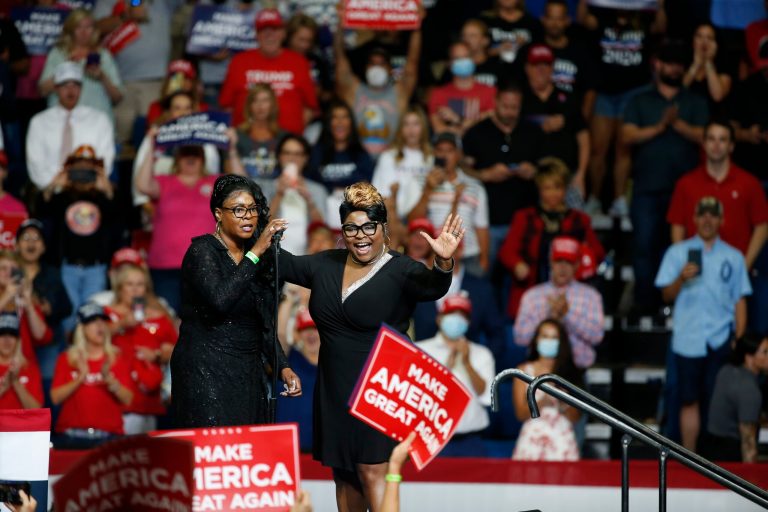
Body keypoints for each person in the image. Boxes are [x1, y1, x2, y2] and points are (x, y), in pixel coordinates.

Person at [278, 182, 463, 512]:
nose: (360, 235)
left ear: (383, 228)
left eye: (368, 227)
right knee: (344, 476)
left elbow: (433, 286)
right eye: (351, 228)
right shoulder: (326, 264)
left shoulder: (400, 269)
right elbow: (282, 263)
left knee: (373, 470)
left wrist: (444, 262)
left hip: (379, 392)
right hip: (335, 390)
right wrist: (249, 226)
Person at [171, 175, 301, 427]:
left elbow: (262, 320)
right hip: (206, 372)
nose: (248, 216)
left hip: (248, 373)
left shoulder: (257, 256)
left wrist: (282, 367)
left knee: (248, 454)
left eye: (252, 209)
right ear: (219, 213)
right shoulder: (203, 252)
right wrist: (255, 253)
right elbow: (220, 300)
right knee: (213, 454)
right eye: (239, 210)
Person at [655, 196, 752, 452]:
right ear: (695, 219)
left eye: (713, 215)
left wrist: (738, 339)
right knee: (688, 400)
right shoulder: (678, 253)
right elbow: (666, 295)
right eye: (703, 214)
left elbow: (739, 299)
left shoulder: (734, 256)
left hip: (720, 338)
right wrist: (680, 279)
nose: (707, 219)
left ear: (721, 220)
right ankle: (690, 456)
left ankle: (713, 460)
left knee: (716, 402)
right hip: (688, 338)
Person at [622, 40, 709, 313]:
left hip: (685, 191)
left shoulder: (694, 101)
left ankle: (681, 303)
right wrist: (660, 127)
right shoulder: (640, 99)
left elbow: (707, 137)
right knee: (645, 247)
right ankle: (647, 305)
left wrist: (678, 125)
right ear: (657, 65)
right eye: (668, 63)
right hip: (647, 187)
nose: (673, 69)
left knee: (682, 248)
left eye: (678, 64)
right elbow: (627, 136)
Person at [578, 0, 666, 217]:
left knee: (623, 149)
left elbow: (661, 27)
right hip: (605, 92)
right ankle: (595, 199)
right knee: (599, 149)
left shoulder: (643, 20)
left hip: (633, 92)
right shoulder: (603, 17)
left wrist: (661, 5)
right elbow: (582, 19)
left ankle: (619, 200)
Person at [499, 158, 604, 318]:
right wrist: (517, 265)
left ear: (565, 189)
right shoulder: (524, 217)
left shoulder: (579, 220)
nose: (553, 194)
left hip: (570, 294)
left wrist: (579, 265)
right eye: (547, 188)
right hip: (531, 290)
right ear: (539, 189)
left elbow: (597, 253)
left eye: (558, 187)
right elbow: (507, 251)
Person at [667, 121, 768, 270]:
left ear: (731, 146)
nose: (716, 145)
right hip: (696, 272)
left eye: (722, 139)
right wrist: (684, 264)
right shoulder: (685, 183)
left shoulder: (749, 183)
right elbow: (677, 225)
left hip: (735, 269)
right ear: (704, 144)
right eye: (711, 139)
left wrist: (745, 265)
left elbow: (763, 226)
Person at [135, 139, 219, 313]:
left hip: (206, 266)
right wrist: (151, 145)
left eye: (195, 153)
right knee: (168, 317)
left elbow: (243, 186)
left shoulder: (215, 182)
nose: (190, 158)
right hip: (165, 267)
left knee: (203, 323)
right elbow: (142, 185)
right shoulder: (164, 181)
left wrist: (232, 149)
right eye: (185, 153)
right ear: (177, 158)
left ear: (203, 158)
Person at [38, 144, 115, 332]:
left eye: (89, 168)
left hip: (96, 267)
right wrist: (56, 184)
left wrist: (107, 189)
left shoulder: (103, 198)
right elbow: (41, 210)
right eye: (78, 167)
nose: (83, 173)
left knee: (92, 313)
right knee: (68, 315)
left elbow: (119, 219)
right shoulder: (63, 198)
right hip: (68, 266)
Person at [462, 85, 542, 260]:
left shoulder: (533, 132)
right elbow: (462, 169)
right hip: (490, 220)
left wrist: (534, 171)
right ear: (495, 102)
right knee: (487, 275)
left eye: (515, 108)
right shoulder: (477, 133)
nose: (510, 112)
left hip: (526, 220)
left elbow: (549, 168)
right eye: (505, 106)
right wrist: (485, 175)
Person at [333, 5, 421, 157]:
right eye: (372, 63)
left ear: (389, 69)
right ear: (366, 68)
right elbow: (340, 59)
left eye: (381, 64)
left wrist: (416, 25)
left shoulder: (398, 93)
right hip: (359, 160)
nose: (376, 68)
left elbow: (412, 62)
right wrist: (341, 24)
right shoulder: (355, 91)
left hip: (391, 160)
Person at [416, 292, 496, 457]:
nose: (456, 320)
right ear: (439, 319)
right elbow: (419, 395)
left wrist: (467, 363)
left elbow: (486, 396)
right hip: (431, 438)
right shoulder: (421, 350)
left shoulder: (482, 354)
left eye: (462, 316)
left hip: (472, 441)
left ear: (468, 322)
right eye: (451, 314)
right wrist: (448, 366)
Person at [93, 0, 180, 149]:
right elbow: (96, 28)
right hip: (123, 82)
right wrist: (125, 16)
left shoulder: (162, 3)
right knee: (120, 138)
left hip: (156, 82)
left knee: (154, 135)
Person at [219, 8, 318, 133]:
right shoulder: (238, 61)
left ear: (283, 33)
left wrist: (294, 136)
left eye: (275, 30)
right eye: (263, 30)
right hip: (247, 143)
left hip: (287, 146)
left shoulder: (299, 62)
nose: (269, 35)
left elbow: (309, 107)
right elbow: (227, 106)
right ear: (256, 34)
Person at [50, 302, 133, 449]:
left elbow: (128, 399)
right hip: (71, 437)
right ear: (81, 328)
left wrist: (110, 380)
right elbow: (55, 398)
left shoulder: (117, 357)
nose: (100, 325)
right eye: (93, 321)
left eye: (102, 321)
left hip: (108, 437)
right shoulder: (67, 358)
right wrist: (80, 377)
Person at [513, 236, 604, 369]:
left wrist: (568, 315)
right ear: (550, 262)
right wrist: (548, 313)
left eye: (568, 262)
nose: (562, 267)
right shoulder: (532, 296)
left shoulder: (590, 296)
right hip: (539, 370)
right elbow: (520, 338)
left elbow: (597, 336)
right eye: (558, 261)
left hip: (577, 371)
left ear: (577, 264)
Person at [407, 132, 490, 277]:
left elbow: (481, 227)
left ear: (458, 154)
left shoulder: (475, 187)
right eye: (440, 150)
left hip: (468, 256)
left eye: (450, 150)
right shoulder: (420, 182)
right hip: (433, 256)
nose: (445, 155)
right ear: (434, 153)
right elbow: (413, 221)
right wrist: (428, 190)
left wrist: (483, 259)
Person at [106, 263, 176, 434]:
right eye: (129, 284)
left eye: (140, 284)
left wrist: (157, 354)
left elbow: (176, 350)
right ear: (119, 287)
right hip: (114, 395)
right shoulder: (106, 314)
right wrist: (122, 324)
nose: (135, 289)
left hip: (148, 398)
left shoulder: (159, 317)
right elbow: (89, 338)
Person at [26, 61, 115, 190]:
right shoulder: (39, 122)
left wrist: (83, 185)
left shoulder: (99, 120)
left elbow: (105, 162)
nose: (70, 90)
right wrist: (58, 185)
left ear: (81, 88)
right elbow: (36, 165)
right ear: (56, 89)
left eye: (75, 85)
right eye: (65, 85)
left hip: (89, 189)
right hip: (50, 190)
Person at [522, 44, 589, 202]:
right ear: (527, 68)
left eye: (545, 64)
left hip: (568, 178)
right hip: (529, 179)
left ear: (553, 68)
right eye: (536, 65)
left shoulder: (568, 98)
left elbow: (584, 138)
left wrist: (581, 174)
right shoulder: (519, 99)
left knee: (572, 225)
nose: (541, 69)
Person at [132, 90, 221, 209]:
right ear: (168, 112)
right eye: (177, 108)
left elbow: (212, 179)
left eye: (187, 108)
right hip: (157, 207)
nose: (183, 113)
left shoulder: (205, 139)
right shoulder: (155, 137)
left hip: (199, 206)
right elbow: (139, 180)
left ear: (194, 112)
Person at [242, 134, 327, 255]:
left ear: (306, 158)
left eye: (298, 154)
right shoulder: (265, 187)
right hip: (274, 257)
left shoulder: (317, 190)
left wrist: (309, 201)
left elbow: (322, 230)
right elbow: (260, 227)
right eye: (287, 153)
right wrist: (279, 194)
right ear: (279, 157)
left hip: (307, 258)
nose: (292, 158)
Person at [512, 318, 581, 461]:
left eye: (554, 337)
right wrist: (542, 401)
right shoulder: (523, 371)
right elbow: (520, 414)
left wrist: (561, 401)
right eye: (545, 336)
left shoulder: (570, 372)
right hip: (532, 441)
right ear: (537, 339)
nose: (549, 341)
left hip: (562, 441)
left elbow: (576, 417)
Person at [39, 8, 123, 122]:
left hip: (97, 123)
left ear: (94, 30)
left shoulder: (103, 55)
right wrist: (67, 67)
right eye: (78, 27)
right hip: (62, 122)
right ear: (71, 30)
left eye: (88, 27)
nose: (83, 32)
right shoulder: (58, 54)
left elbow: (118, 97)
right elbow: (43, 90)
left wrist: (102, 77)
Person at [306, 100, 374, 226]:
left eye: (344, 117)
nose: (340, 122)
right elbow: (309, 184)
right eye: (335, 117)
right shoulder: (316, 153)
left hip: (355, 214)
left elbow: (368, 186)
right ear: (328, 123)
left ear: (351, 123)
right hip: (321, 213)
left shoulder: (362, 155)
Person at [702, 333, 768, 463]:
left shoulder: (726, 370)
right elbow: (748, 447)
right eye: (765, 352)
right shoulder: (749, 390)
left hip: (709, 451)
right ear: (749, 357)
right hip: (730, 457)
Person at [372, 106, 434, 219]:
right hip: (393, 219)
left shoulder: (431, 158)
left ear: (423, 127)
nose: (411, 129)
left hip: (424, 219)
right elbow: (381, 196)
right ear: (400, 128)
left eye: (416, 124)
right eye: (406, 124)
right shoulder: (389, 156)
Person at [428, 41, 497, 135]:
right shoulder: (438, 94)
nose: (462, 61)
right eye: (457, 58)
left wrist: (457, 120)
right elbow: (439, 129)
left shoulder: (490, 91)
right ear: (449, 63)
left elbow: (493, 123)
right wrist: (478, 119)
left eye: (466, 57)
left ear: (473, 59)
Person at [0, 251, 52, 370]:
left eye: (13, 269)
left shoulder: (28, 298)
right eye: (3, 268)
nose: (8, 273)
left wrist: (28, 305)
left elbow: (41, 336)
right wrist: (6, 296)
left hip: (23, 366)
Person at [276, 308, 319, 451]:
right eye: (305, 329)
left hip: (323, 451)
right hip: (286, 448)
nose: (311, 333)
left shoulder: (335, 363)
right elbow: (280, 335)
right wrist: (289, 297)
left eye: (315, 328)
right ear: (297, 334)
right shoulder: (288, 360)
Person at [226, 83, 286, 179]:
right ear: (249, 106)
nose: (260, 106)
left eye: (265, 100)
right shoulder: (235, 136)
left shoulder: (284, 138)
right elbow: (230, 175)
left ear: (273, 105)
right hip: (243, 190)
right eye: (255, 101)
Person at [682, 23, 733, 112]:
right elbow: (677, 93)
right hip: (686, 114)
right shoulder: (683, 61)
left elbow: (717, 96)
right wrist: (696, 65)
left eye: (709, 38)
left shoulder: (723, 66)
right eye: (699, 36)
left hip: (713, 116)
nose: (704, 42)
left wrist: (708, 62)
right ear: (693, 40)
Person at [0, 313, 43, 410]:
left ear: (18, 340)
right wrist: (3, 387)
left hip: (21, 424)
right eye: (2, 334)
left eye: (12, 335)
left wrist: (16, 382)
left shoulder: (30, 368)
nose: (7, 340)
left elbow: (36, 410)